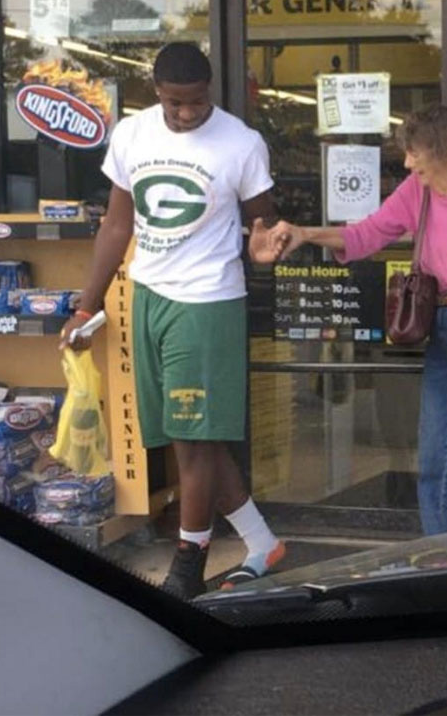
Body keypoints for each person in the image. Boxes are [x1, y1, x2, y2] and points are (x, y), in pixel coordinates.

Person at [61, 41, 285, 599]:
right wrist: (88, 305)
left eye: (196, 103)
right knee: (191, 438)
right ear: (155, 93)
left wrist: (264, 244)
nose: (186, 114)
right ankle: (263, 544)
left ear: (210, 92)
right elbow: (117, 226)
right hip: (149, 297)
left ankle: (190, 561)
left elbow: (266, 222)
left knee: (193, 440)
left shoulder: (241, 143)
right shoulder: (133, 135)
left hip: (208, 301)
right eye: (173, 103)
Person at [266, 104, 447, 536]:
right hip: (439, 325)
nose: (407, 162)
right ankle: (444, 553)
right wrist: (306, 234)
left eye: (415, 152)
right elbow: (367, 233)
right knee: (435, 455)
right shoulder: (417, 192)